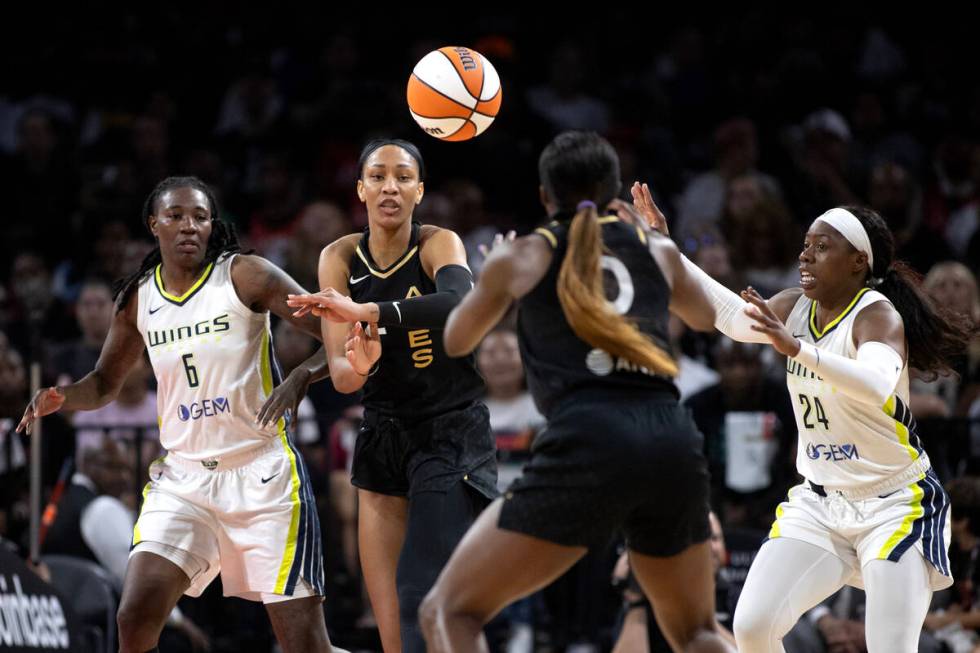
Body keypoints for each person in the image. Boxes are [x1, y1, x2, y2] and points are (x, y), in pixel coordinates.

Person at [417, 130, 733, 653]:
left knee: (448, 612)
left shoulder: (524, 255)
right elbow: (702, 316)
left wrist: (496, 283)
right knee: (696, 633)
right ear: (614, 191)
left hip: (589, 439)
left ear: (545, 196)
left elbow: (456, 340)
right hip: (669, 436)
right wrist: (664, 245)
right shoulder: (657, 250)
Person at [17, 176, 346, 653]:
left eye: (200, 216)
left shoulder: (245, 275)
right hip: (184, 479)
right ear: (154, 225)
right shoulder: (138, 299)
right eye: (175, 216)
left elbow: (338, 335)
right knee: (134, 617)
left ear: (213, 224)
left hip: (262, 474)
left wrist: (299, 377)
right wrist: (62, 397)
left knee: (305, 646)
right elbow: (105, 383)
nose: (189, 226)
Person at [665, 194, 976, 651]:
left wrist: (798, 351)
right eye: (806, 244)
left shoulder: (877, 316)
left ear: (857, 262)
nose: (804, 255)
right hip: (821, 504)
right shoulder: (795, 307)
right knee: (752, 626)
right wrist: (665, 248)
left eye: (821, 246)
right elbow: (729, 316)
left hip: (895, 506)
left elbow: (874, 384)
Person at [286, 139, 498, 653]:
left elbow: (456, 303)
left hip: (449, 433)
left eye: (403, 177)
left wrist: (369, 312)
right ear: (360, 189)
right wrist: (361, 366)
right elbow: (341, 375)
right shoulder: (337, 256)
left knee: (420, 596)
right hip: (383, 432)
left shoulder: (438, 243)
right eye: (377, 176)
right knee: (392, 631)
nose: (390, 187)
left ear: (419, 191)